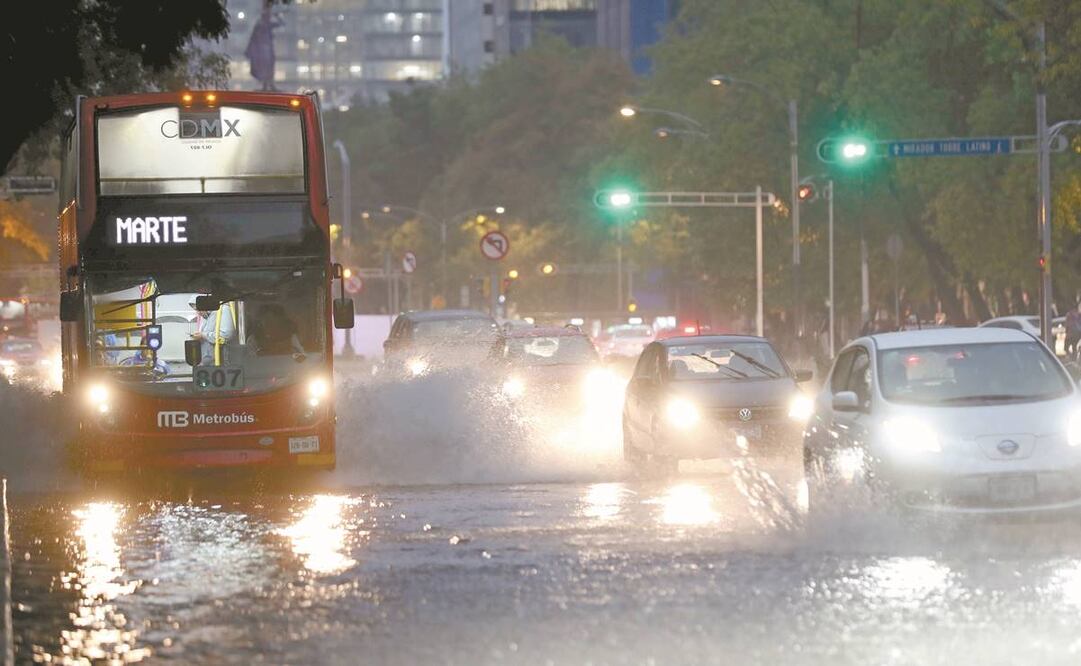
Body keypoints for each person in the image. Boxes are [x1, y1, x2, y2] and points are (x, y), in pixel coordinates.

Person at [189, 295, 236, 366]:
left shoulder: (223, 309)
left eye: (199, 309)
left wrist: (203, 335)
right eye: (196, 310)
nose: (198, 313)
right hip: (208, 363)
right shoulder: (206, 316)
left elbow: (226, 335)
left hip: (221, 363)